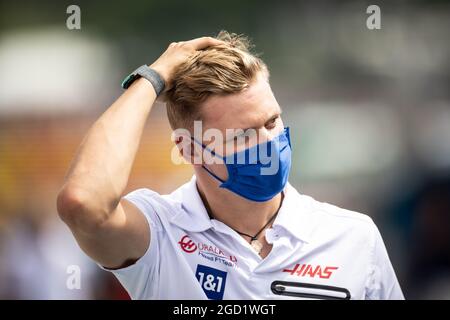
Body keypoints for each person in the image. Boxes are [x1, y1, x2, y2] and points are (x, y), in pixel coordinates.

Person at [57, 31, 404, 300]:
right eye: (241, 136)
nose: (267, 143)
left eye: (272, 122)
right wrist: (152, 78)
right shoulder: (160, 233)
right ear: (189, 149)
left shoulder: (354, 237)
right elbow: (83, 204)